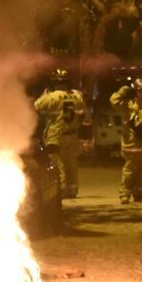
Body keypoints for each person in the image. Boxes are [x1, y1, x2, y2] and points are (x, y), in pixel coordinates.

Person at [109, 77, 142, 204]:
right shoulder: (128, 104)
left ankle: (140, 194)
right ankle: (124, 195)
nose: (141, 92)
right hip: (132, 143)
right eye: (139, 90)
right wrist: (125, 90)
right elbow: (114, 101)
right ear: (135, 91)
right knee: (130, 170)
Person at [34, 70, 87, 198]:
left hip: (56, 136)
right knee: (71, 163)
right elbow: (83, 112)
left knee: (57, 163)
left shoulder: (51, 97)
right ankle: (73, 190)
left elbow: (37, 106)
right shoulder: (76, 96)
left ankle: (61, 189)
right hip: (72, 135)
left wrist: (44, 94)